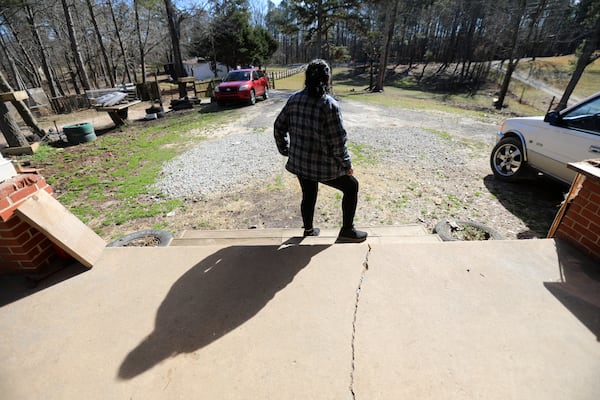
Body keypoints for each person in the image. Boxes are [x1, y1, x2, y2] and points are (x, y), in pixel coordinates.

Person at [274, 59, 367, 243]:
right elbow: (338, 143)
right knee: (352, 186)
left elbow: (278, 126)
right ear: (327, 79)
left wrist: (285, 150)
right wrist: (347, 165)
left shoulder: (294, 99)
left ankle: (308, 231)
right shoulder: (329, 105)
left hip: (300, 163)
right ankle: (347, 230)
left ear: (307, 78)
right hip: (324, 167)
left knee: (308, 195)